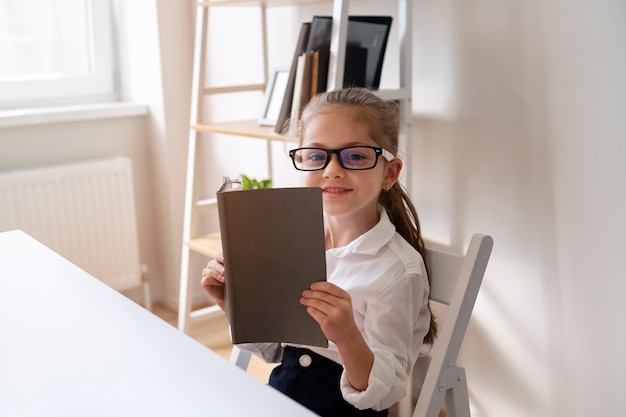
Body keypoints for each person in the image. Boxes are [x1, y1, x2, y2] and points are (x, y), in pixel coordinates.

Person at [201, 87, 437, 417]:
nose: (332, 170)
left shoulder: (398, 270)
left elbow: (385, 393)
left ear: (390, 173)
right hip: (280, 398)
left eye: (355, 155)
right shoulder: (288, 244)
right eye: (315, 155)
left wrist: (347, 337)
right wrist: (230, 302)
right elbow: (271, 352)